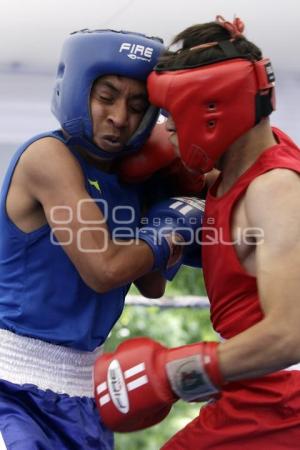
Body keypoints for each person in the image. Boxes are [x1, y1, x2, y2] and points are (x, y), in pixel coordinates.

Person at [94, 16, 300, 449]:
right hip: (254, 394)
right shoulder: (240, 171)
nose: (166, 127)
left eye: (171, 113)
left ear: (211, 110)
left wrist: (173, 371)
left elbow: (290, 333)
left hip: (280, 406)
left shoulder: (276, 191)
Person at [0, 28, 204, 450]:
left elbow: (151, 284)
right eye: (105, 97)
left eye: (136, 105)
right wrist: (169, 230)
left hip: (82, 391)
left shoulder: (133, 177)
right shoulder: (48, 157)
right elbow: (105, 269)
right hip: (10, 385)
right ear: (76, 89)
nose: (119, 117)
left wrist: (167, 199)